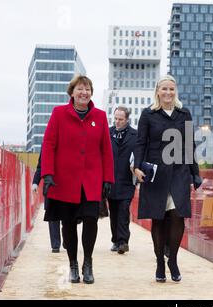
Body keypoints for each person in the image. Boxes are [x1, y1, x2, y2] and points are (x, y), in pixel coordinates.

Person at [41, 75, 114, 284]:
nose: (84, 93)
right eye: (80, 89)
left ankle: (88, 263)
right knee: (69, 223)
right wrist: (48, 174)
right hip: (65, 180)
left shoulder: (99, 116)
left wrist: (108, 178)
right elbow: (49, 144)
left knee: (91, 220)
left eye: (88, 89)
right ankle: (73, 264)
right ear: (72, 92)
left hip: (91, 180)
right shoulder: (59, 113)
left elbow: (106, 151)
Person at [134, 75, 202, 283]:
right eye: (164, 89)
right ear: (157, 91)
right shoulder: (148, 114)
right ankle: (159, 263)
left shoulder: (184, 114)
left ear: (175, 91)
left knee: (177, 216)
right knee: (159, 218)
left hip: (179, 172)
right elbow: (140, 143)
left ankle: (172, 259)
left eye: (171, 89)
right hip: (156, 173)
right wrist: (137, 167)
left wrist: (195, 173)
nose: (168, 93)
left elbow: (190, 145)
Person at [108, 106, 137, 254]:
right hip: (111, 181)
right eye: (116, 119)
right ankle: (115, 240)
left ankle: (123, 241)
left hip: (127, 181)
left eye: (121, 119)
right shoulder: (108, 133)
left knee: (123, 211)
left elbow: (139, 155)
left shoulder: (135, 135)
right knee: (113, 211)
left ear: (127, 119)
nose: (117, 122)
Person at [32, 150, 62, 253]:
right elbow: (40, 166)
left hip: (66, 185)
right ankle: (55, 245)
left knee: (67, 215)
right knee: (53, 217)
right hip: (50, 187)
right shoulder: (46, 145)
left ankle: (67, 239)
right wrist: (35, 182)